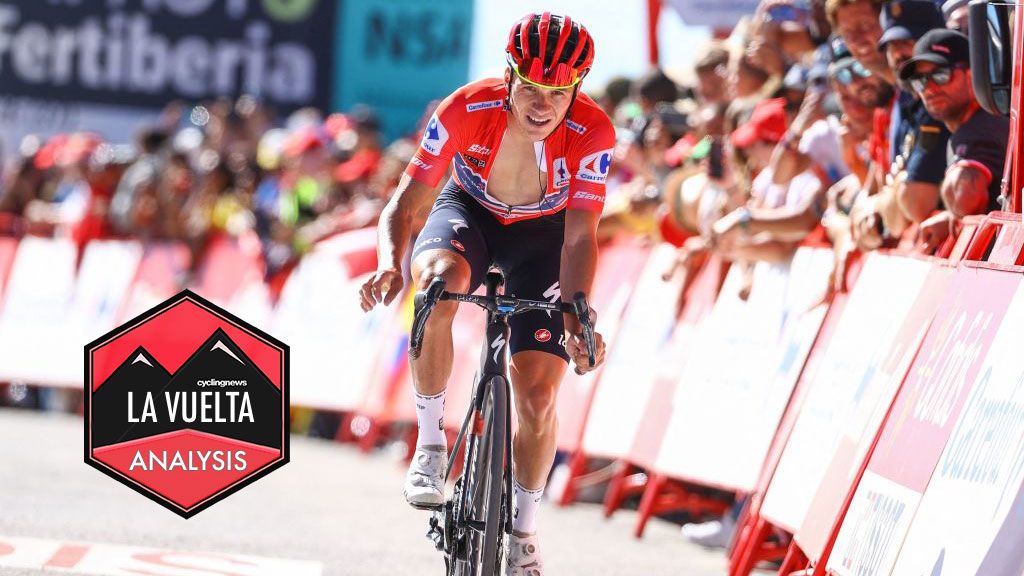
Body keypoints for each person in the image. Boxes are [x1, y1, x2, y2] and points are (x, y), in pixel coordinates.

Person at [358, 13, 613, 574]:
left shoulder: (594, 132)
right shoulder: (465, 108)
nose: (542, 105)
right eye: (531, 89)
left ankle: (523, 531)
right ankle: (429, 446)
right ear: (509, 77)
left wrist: (577, 315)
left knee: (539, 394)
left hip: (544, 239)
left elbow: (579, 235)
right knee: (435, 288)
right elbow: (407, 202)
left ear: (577, 90)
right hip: (468, 213)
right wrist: (387, 262)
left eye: (557, 93)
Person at [898, 29, 1011, 249]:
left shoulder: (983, 124)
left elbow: (964, 187)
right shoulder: (975, 125)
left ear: (972, 75)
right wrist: (952, 216)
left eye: (941, 75)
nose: (929, 89)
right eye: (920, 81)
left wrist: (955, 212)